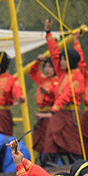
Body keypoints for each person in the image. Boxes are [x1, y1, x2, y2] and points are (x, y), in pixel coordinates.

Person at [46, 29, 88, 164]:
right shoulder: (62, 73)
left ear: (70, 61)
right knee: (50, 140)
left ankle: (78, 168)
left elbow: (67, 94)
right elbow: (54, 54)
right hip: (58, 114)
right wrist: (48, 33)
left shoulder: (78, 77)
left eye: (64, 59)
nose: (61, 62)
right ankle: (50, 167)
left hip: (70, 114)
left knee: (72, 143)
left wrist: (54, 109)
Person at [27, 25, 61, 164]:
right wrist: (37, 62)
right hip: (40, 115)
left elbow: (54, 91)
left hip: (51, 116)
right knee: (40, 143)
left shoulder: (58, 80)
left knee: (50, 144)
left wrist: (47, 91)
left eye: (50, 67)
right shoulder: (42, 79)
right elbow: (32, 72)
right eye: (45, 66)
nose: (47, 69)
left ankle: (53, 164)